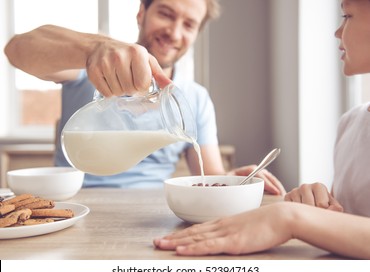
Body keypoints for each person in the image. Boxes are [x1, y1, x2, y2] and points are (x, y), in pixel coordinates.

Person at [153, 0, 370, 259]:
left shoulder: (194, 98)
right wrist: (316, 207)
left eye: (347, 16)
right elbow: (343, 221)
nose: (336, 31)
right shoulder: (351, 123)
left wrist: (292, 217)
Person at [4, 0, 284, 194]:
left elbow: (209, 175)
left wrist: (234, 181)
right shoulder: (91, 68)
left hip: (149, 214)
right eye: (166, 13)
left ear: (197, 34)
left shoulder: (194, 99)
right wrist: (93, 48)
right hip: (76, 202)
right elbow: (16, 50)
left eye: (189, 24)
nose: (174, 32)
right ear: (141, 13)